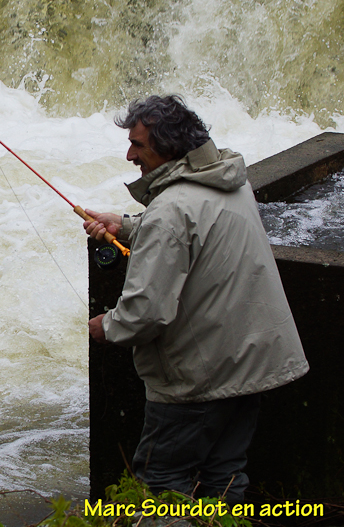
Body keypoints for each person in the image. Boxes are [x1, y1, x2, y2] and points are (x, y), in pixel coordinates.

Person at [84, 95, 308, 504]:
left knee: (162, 481)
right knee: (225, 475)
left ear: (169, 147)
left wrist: (105, 327)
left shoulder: (170, 210)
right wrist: (131, 226)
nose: (130, 154)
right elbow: (199, 230)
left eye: (139, 144)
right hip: (250, 363)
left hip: (198, 381)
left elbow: (144, 314)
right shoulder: (228, 179)